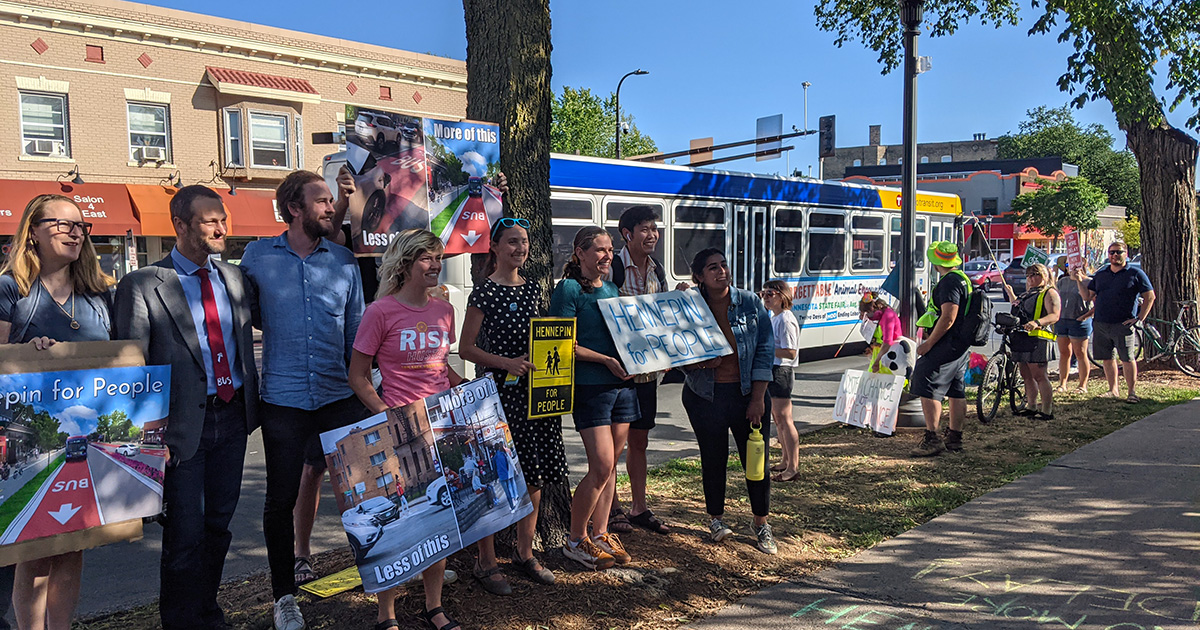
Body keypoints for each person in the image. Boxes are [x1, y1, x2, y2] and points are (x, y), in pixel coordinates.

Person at [115, 185, 260, 630]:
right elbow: (131, 368)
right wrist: (146, 439)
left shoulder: (235, 278)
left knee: (218, 526)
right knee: (184, 536)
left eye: (223, 219)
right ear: (179, 225)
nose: (222, 228)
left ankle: (207, 612)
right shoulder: (142, 284)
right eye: (210, 221)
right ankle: (180, 621)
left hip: (233, 419)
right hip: (180, 429)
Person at [239, 170, 368, 630]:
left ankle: (385, 572)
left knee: (366, 492)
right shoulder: (255, 258)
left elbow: (357, 332)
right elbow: (245, 320)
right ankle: (284, 598)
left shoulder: (344, 261)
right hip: (285, 399)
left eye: (330, 201)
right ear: (294, 208)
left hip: (339, 395)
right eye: (321, 201)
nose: (331, 208)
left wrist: (367, 389)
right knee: (280, 499)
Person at [0, 194, 116, 630]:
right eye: (62, 223)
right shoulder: (11, 289)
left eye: (80, 225)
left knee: (72, 544)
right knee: (34, 549)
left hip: (88, 433)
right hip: (29, 440)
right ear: (32, 230)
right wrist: (22, 353)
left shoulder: (99, 293)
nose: (74, 232)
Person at [348, 229, 462, 630]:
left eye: (438, 257)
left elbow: (441, 367)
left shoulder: (444, 311)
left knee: (441, 521)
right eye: (427, 258)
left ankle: (434, 607)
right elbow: (358, 377)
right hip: (397, 429)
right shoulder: (381, 312)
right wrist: (387, 415)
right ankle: (386, 614)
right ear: (406, 263)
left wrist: (466, 388)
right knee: (396, 528)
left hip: (439, 427)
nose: (436, 265)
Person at [458, 217, 563, 586]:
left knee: (533, 474)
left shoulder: (534, 288)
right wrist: (506, 363)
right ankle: (485, 561)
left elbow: (545, 336)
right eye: (512, 242)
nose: (520, 248)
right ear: (496, 248)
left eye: (524, 242)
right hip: (497, 397)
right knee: (493, 476)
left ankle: (525, 552)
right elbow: (466, 348)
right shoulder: (484, 292)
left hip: (534, 396)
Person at [549, 226, 636, 570]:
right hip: (590, 387)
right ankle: (575, 539)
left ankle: (600, 533)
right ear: (579, 253)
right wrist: (604, 361)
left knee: (612, 465)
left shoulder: (613, 288)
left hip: (622, 386)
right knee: (600, 465)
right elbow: (561, 341)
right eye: (599, 250)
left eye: (610, 250)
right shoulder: (569, 289)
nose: (606, 255)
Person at [680, 248, 776, 554]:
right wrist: (696, 365)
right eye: (712, 268)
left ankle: (761, 523)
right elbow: (675, 347)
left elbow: (764, 349)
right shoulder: (689, 304)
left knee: (756, 463)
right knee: (713, 458)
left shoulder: (748, 302)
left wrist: (758, 399)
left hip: (748, 393)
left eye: (723, 265)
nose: (721, 271)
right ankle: (716, 520)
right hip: (704, 396)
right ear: (699, 277)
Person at [606, 205, 672, 535]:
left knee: (640, 440)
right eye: (644, 229)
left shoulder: (657, 269)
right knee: (614, 445)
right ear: (627, 234)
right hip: (618, 372)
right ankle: (612, 506)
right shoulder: (614, 268)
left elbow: (659, 317)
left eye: (654, 228)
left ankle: (639, 507)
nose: (652, 235)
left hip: (647, 372)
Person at [909, 242, 972, 457]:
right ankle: (955, 438)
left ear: (936, 263)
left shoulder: (949, 282)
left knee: (926, 384)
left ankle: (932, 437)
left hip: (946, 343)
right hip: (960, 345)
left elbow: (948, 316)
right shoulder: (963, 279)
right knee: (956, 390)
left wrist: (929, 343)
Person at [1077, 242, 1155, 402]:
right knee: (1107, 358)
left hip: (1123, 324)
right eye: (1112, 252)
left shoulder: (1135, 273)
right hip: (1101, 323)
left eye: (1118, 252)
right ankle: (1113, 390)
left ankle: (1132, 392)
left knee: (1127, 358)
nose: (1114, 255)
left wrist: (1140, 318)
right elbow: (1087, 296)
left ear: (1125, 253)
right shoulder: (1101, 274)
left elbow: (1150, 296)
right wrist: (1078, 280)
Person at [1001, 263, 1061, 418]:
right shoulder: (1027, 294)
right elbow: (1020, 310)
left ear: (1045, 276)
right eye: (1028, 275)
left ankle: (1046, 410)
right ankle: (1031, 405)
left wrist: (1037, 322)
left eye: (1036, 274)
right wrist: (1011, 294)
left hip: (1038, 339)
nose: (1031, 278)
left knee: (1039, 375)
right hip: (1021, 337)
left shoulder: (1049, 293)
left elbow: (1055, 315)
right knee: (1026, 374)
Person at [759, 279, 800, 483]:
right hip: (773, 368)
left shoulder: (785, 319)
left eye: (770, 294)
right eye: (763, 293)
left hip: (781, 370)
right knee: (778, 419)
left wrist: (765, 350)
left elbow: (791, 352)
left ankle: (793, 467)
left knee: (785, 419)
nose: (765, 297)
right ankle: (785, 460)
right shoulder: (773, 317)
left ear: (782, 296)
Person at [1054, 257, 1093, 393]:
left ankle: (1082, 385)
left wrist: (1085, 316)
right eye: (1067, 265)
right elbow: (1055, 298)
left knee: (1081, 353)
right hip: (1062, 319)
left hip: (1079, 320)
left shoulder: (1089, 282)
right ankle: (1062, 383)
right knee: (1064, 353)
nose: (1070, 267)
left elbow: (1092, 301)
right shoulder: (1062, 281)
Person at [860, 292, 902, 375]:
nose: (868, 315)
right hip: (879, 353)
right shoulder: (879, 317)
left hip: (889, 355)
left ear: (876, 308)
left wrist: (877, 362)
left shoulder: (888, 316)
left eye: (868, 312)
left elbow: (887, 342)